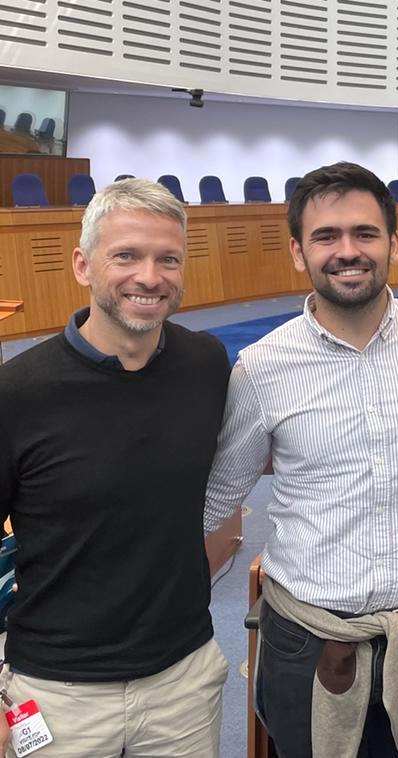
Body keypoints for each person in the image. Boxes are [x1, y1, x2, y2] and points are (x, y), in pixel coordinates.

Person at [203, 161, 398, 758]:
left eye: (364, 233)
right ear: (296, 251)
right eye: (325, 236)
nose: (347, 251)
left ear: (393, 242)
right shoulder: (260, 368)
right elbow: (217, 501)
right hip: (309, 643)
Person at [0, 178, 231, 757]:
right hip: (58, 692)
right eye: (125, 255)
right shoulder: (16, 392)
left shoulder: (205, 364)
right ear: (82, 265)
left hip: (183, 678)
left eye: (168, 259)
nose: (149, 277)